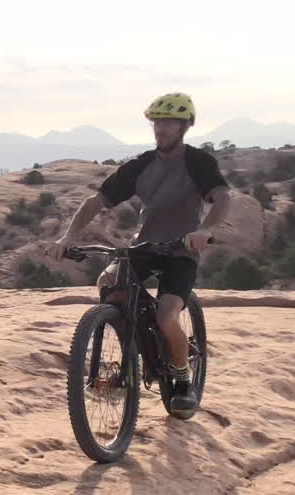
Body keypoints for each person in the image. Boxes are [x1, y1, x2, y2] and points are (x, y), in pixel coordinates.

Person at [47, 92, 231, 417]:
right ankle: (129, 343)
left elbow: (222, 199)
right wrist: (68, 236)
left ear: (185, 126)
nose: (161, 129)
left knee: (166, 316)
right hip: (144, 247)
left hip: (180, 252)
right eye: (157, 122)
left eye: (169, 123)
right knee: (109, 281)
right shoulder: (142, 165)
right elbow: (96, 202)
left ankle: (182, 379)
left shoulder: (198, 162)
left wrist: (205, 230)